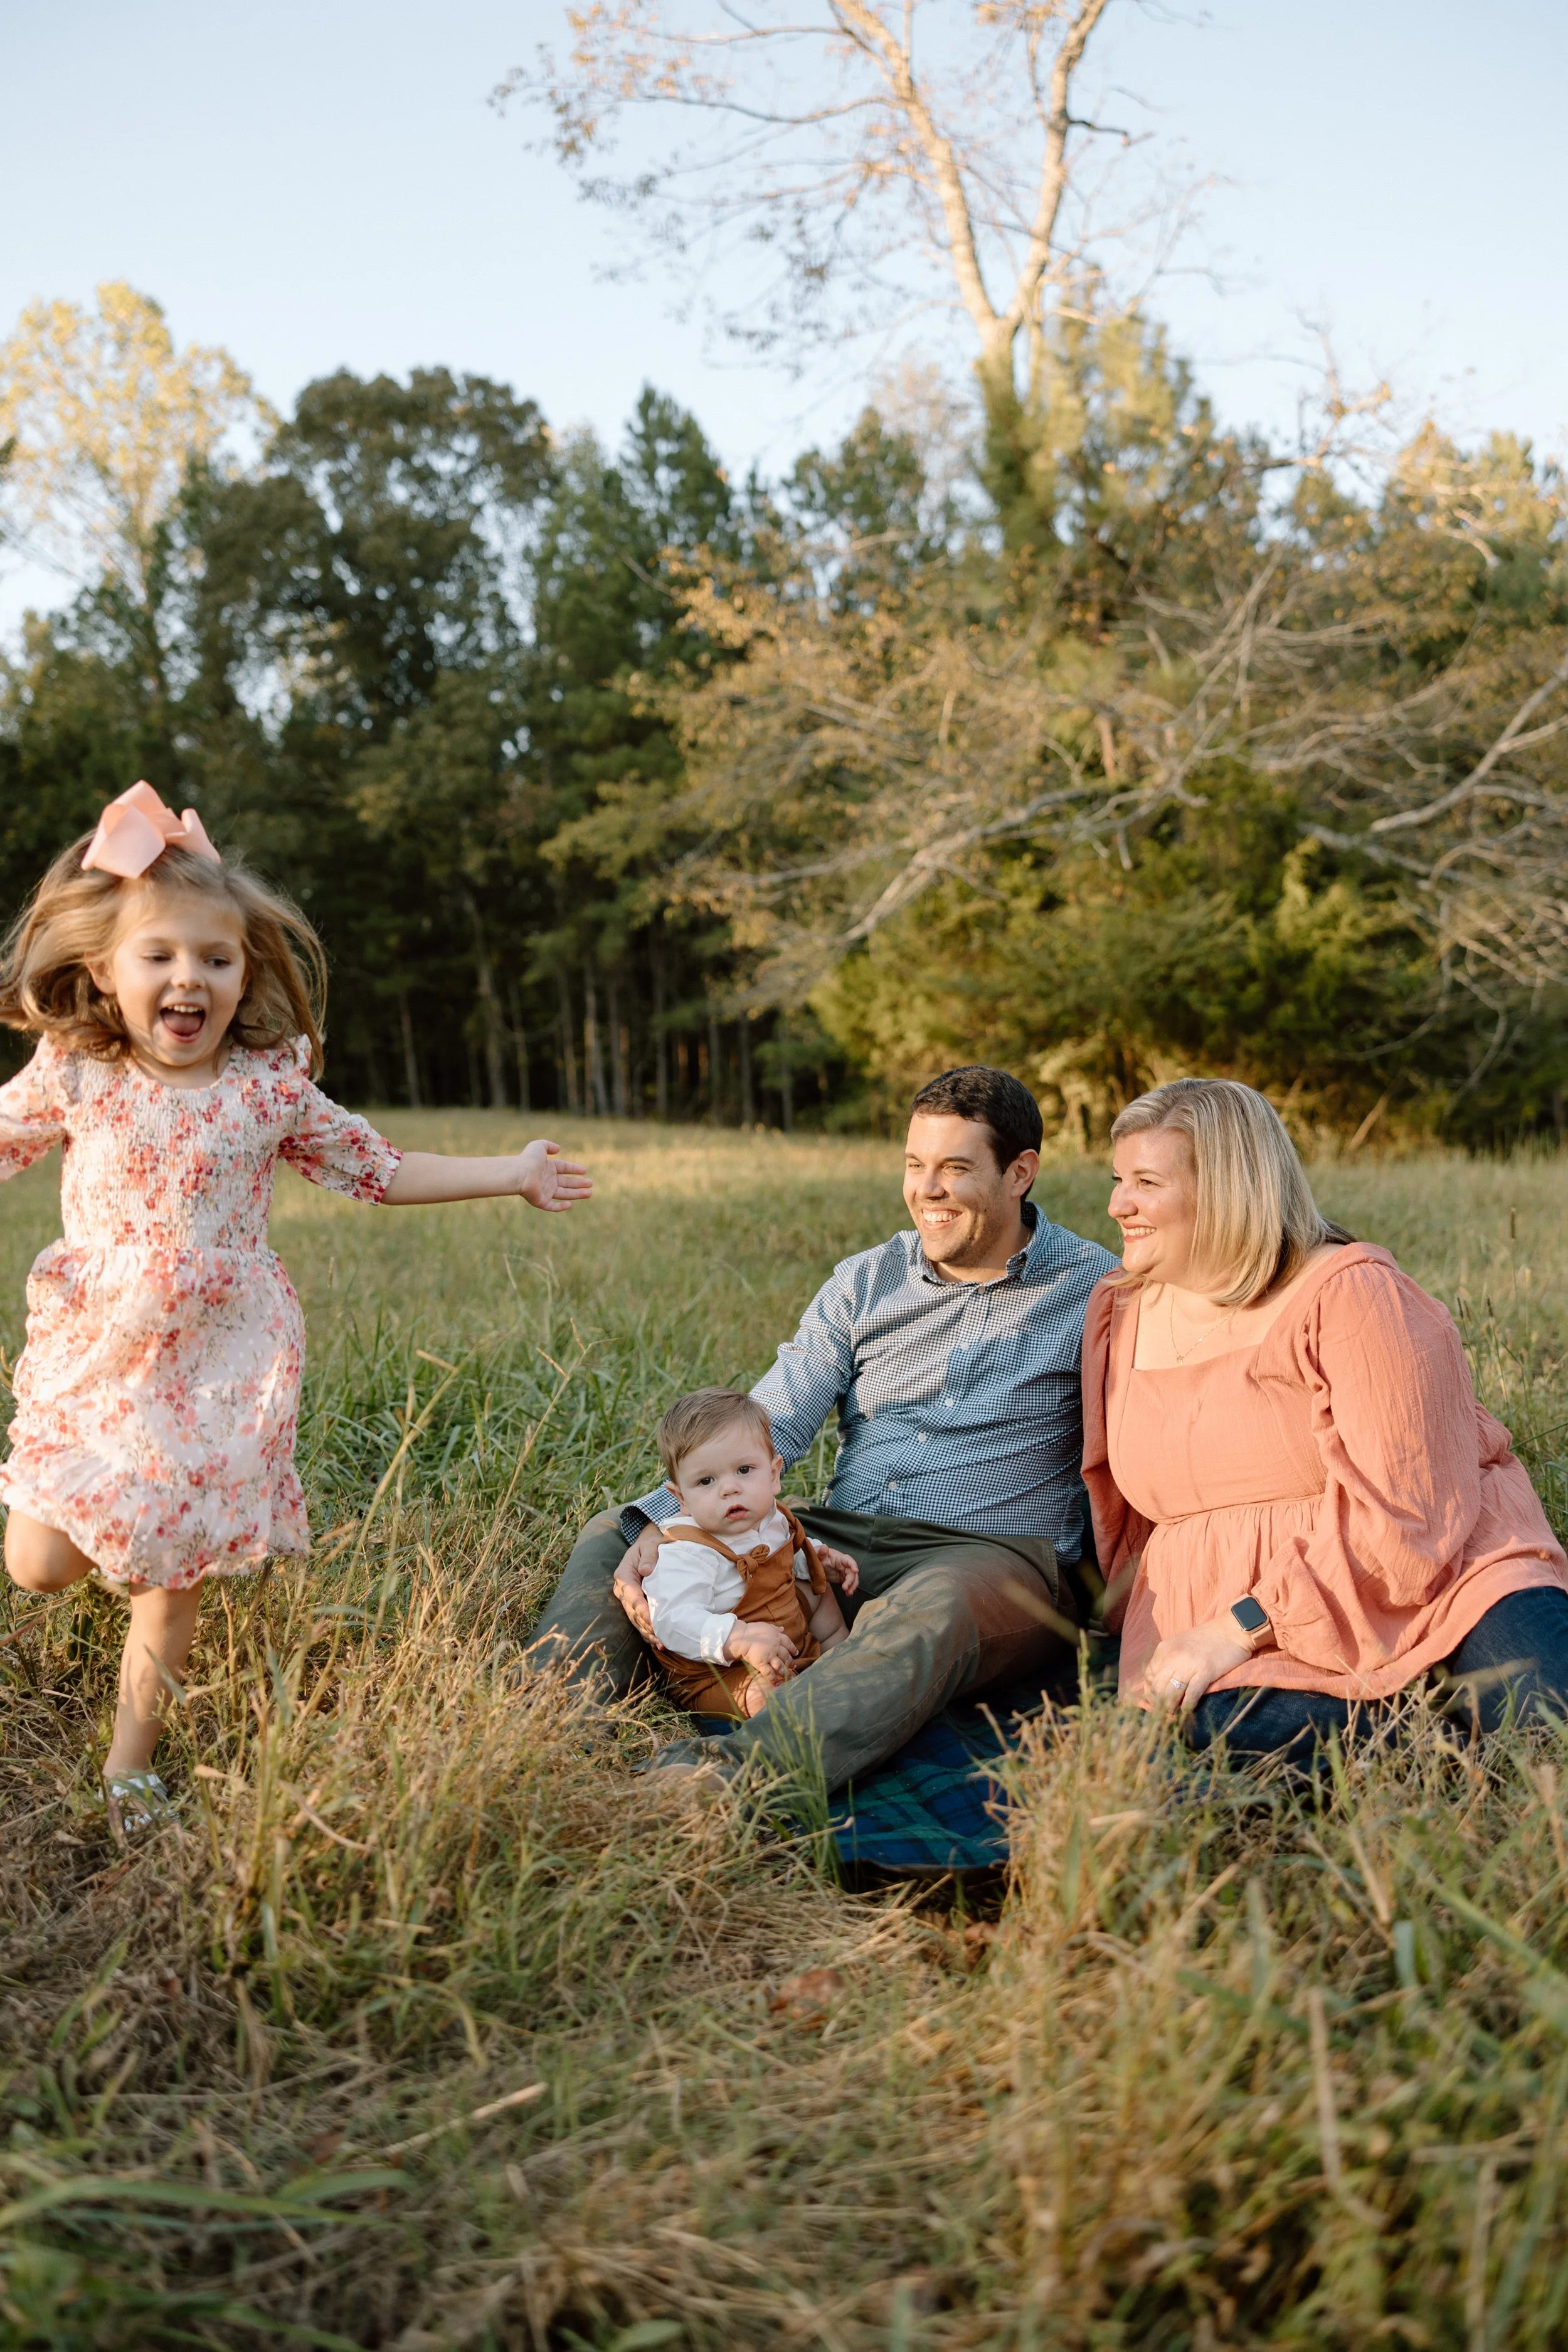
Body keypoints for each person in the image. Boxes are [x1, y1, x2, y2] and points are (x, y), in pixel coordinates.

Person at [0, 782, 592, 1836]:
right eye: (161, 957)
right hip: (98, 1344)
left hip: (217, 1361)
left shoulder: (267, 1091)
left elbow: (379, 1168)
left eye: (216, 961)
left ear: (245, 974)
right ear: (105, 971)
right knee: (38, 1565)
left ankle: (130, 1767)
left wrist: (512, 1170)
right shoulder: (79, 1072)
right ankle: (119, 1528)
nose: (190, 980)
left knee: (171, 1575)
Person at [531, 1064, 1116, 1792]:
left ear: (1019, 1172)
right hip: (839, 1544)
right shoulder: (865, 1281)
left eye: (955, 1169)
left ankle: (722, 1781)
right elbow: (770, 1421)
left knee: (936, 1604)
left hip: (988, 1563)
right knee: (618, 1535)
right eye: (914, 1165)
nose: (925, 1191)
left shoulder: (1097, 1292)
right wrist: (670, 1519)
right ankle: (544, 1727)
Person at [1085, 1076, 1568, 1756]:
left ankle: (1446, 1717)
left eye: (1145, 1183)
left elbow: (1411, 1523)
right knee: (1205, 1743)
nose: (1116, 1205)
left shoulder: (1352, 1294)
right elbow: (1117, 1514)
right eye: (1117, 1178)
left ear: (1226, 1188)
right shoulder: (1119, 1309)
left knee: (1548, 1727)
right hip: (1232, 1623)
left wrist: (1238, 1626)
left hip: (1441, 1577)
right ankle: (1426, 1740)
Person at [638, 1387, 856, 1718]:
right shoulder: (687, 1552)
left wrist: (819, 1556)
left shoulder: (773, 1518)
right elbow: (673, 1622)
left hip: (782, 1633)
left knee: (818, 1587)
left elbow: (784, 1550)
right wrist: (738, 1638)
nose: (729, 1488)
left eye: (744, 1470)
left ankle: (838, 1652)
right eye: (706, 1481)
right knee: (765, 1694)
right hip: (720, 1671)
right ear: (680, 1498)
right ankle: (782, 1718)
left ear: (772, 1475)